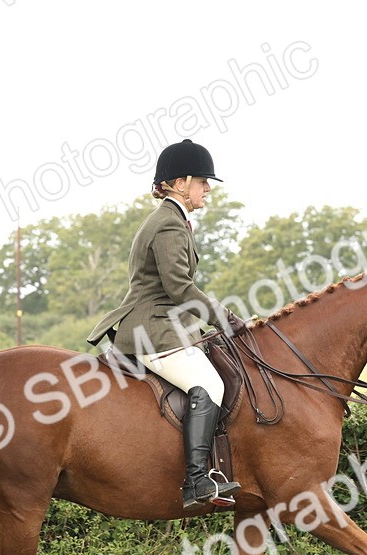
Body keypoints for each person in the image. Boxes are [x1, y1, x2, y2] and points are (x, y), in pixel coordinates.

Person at [87, 139, 248, 509]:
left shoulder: (173, 220)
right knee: (210, 384)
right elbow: (179, 287)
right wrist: (224, 318)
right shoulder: (168, 225)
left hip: (166, 325)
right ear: (180, 183)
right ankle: (196, 481)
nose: (208, 189)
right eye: (202, 182)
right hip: (153, 331)